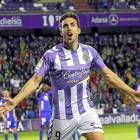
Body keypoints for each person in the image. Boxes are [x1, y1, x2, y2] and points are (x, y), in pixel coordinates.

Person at [0, 11, 140, 140]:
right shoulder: (51, 55)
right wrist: (16, 100)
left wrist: (132, 92)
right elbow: (35, 81)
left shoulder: (89, 52)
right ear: (61, 31)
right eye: (65, 26)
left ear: (78, 30)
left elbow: (108, 75)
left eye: (72, 25)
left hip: (85, 110)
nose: (68, 28)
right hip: (62, 116)